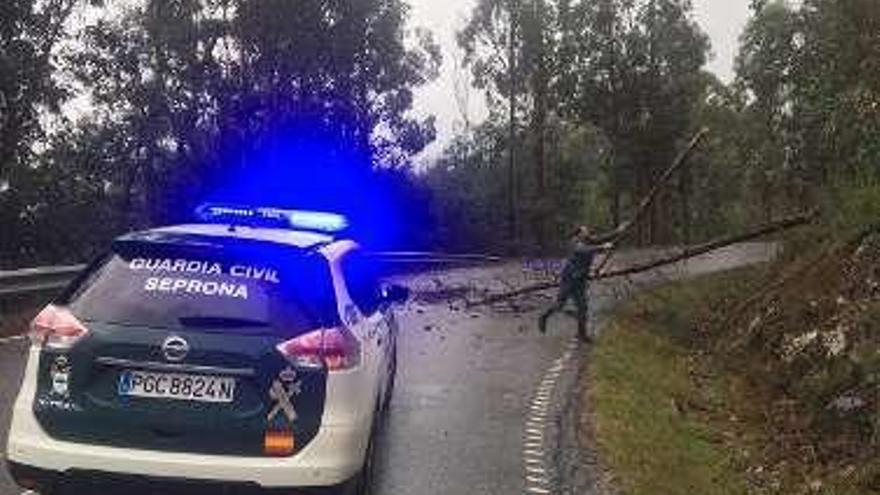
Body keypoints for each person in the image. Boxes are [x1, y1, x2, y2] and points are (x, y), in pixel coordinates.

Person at [538, 224, 623, 342]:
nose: (588, 231)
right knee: (559, 305)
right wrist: (603, 247)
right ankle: (544, 316)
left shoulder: (589, 240)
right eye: (585, 231)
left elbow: (603, 238)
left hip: (580, 280)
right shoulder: (575, 243)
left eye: (587, 230)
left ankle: (581, 335)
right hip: (569, 280)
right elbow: (583, 250)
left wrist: (618, 231)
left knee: (583, 307)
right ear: (579, 234)